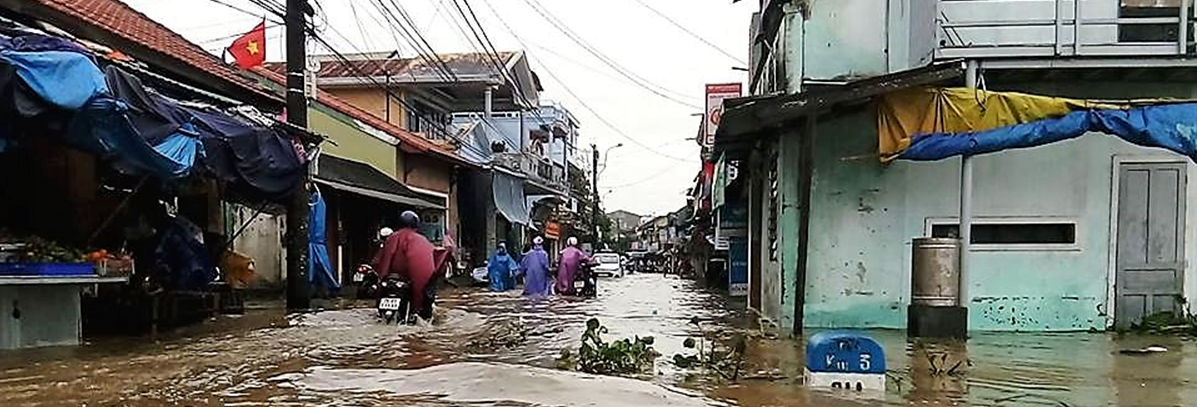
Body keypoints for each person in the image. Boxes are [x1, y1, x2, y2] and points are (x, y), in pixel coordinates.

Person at [373, 211, 438, 320]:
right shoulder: (419, 239)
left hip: (389, 279)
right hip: (408, 280)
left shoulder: (390, 239)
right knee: (427, 292)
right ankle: (420, 314)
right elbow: (425, 264)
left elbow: (378, 261)